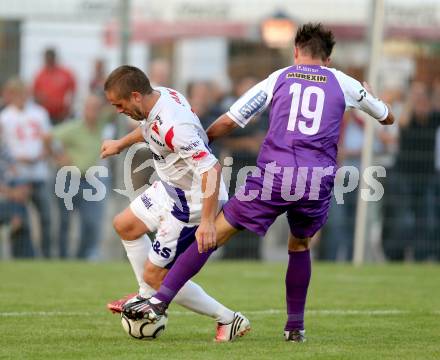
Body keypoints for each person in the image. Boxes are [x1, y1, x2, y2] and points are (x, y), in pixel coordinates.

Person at [126, 23, 395, 342]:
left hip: (276, 175)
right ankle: (295, 328)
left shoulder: (279, 77)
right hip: (316, 179)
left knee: (215, 231)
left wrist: (202, 141)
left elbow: (232, 119)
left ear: (296, 51)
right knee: (299, 244)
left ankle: (158, 302)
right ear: (328, 57)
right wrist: (375, 100)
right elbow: (386, 117)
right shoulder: (344, 83)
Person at [100, 65, 250, 342]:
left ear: (135, 96)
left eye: (119, 105)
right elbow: (149, 129)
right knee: (125, 225)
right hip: (169, 189)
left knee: (157, 276)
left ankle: (228, 318)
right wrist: (121, 143)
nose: (118, 111)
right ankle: (146, 298)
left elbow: (212, 170)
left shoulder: (174, 126)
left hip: (189, 206)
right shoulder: (161, 97)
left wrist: (207, 222)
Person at [44, 93, 111, 259]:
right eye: (90, 107)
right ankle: (62, 258)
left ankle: (82, 258)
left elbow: (117, 108)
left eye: (96, 108)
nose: (93, 111)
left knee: (90, 223)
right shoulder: (73, 127)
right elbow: (47, 137)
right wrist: (58, 157)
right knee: (64, 222)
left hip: (91, 180)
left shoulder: (102, 124)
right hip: (69, 179)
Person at [0, 78, 52, 258]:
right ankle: (21, 257)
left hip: (38, 173)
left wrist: (43, 153)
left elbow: (48, 139)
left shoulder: (40, 113)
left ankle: (47, 256)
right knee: (19, 220)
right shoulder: (5, 117)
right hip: (17, 177)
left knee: (46, 218)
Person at [33, 48, 76, 125]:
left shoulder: (65, 73)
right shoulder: (40, 75)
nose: (49, 61)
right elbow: (35, 94)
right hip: (45, 115)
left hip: (62, 115)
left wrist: (69, 107)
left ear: (54, 58)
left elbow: (73, 91)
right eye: (47, 59)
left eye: (51, 58)